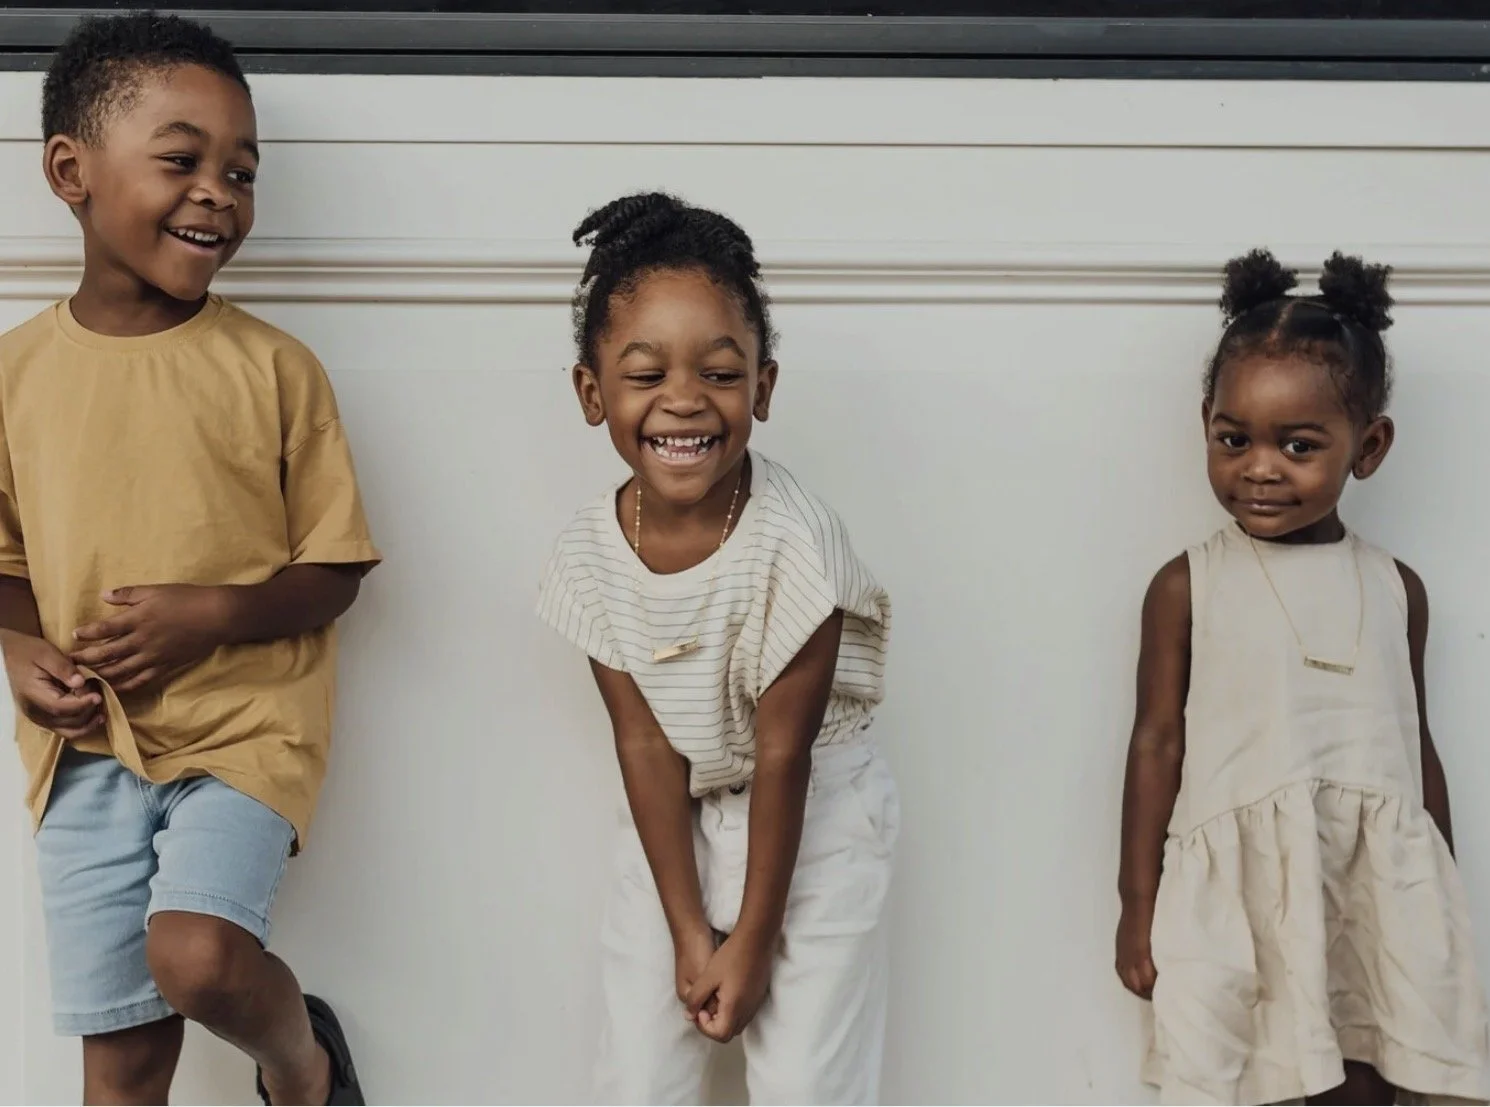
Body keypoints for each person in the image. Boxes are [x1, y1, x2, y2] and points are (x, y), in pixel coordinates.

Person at [0, 12, 379, 1104]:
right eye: (182, 161)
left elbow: (336, 568)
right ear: (70, 172)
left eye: (241, 173)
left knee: (198, 957)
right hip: (86, 747)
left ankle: (301, 1062)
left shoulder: (274, 368)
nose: (218, 194)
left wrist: (206, 616)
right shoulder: (16, 376)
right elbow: (2, 558)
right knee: (119, 1074)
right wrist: (19, 650)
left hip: (244, 731)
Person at [537, 192, 898, 1104]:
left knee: (807, 1083)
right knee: (638, 1077)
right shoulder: (589, 555)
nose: (684, 399)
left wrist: (756, 941)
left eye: (721, 372)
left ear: (762, 388)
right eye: (646, 372)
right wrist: (691, 930)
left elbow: (784, 757)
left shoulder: (798, 545)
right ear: (592, 392)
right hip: (678, 813)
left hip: (817, 814)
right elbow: (643, 741)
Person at [1116, 248, 1490, 1105]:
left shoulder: (1397, 589)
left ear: (1369, 446)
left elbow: (1416, 747)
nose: (1260, 467)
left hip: (1376, 895)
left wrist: (1444, 902)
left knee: (1371, 1070)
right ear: (1205, 424)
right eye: (1234, 438)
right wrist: (1137, 904)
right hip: (1239, 900)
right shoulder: (1186, 585)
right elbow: (1156, 743)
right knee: (1243, 1071)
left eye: (1298, 445)